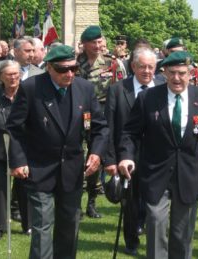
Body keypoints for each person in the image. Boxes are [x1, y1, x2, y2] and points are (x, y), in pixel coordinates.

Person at [118, 51, 198, 259]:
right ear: (164, 72)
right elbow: (130, 132)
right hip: (156, 171)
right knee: (155, 222)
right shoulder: (148, 98)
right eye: (172, 73)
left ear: (190, 73)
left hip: (188, 173)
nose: (177, 78)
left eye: (182, 73)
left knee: (182, 233)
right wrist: (126, 155)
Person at [6, 45, 109, 259]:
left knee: (69, 226)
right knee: (43, 226)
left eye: (73, 68)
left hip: (72, 170)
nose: (69, 74)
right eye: (63, 70)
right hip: (39, 168)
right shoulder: (31, 88)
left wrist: (97, 153)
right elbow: (15, 127)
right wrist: (18, 160)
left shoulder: (85, 89)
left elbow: (100, 127)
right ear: (50, 68)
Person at [105, 47, 162, 256]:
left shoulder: (163, 87)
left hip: (157, 157)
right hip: (127, 155)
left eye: (151, 67)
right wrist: (110, 159)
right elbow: (109, 126)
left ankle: (151, 234)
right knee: (130, 200)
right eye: (142, 67)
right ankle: (131, 241)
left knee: (155, 200)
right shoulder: (118, 90)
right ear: (133, 67)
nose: (147, 71)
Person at [77, 25, 126, 218]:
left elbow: (120, 90)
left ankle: (91, 203)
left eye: (100, 42)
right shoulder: (75, 63)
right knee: (78, 157)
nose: (98, 45)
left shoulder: (111, 63)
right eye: (93, 42)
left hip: (101, 117)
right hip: (79, 116)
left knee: (95, 157)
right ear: (84, 44)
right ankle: (76, 204)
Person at [0, 60, 32, 240]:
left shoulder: (27, 93)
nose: (13, 78)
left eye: (16, 74)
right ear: (1, 77)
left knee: (24, 187)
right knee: (0, 189)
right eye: (9, 74)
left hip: (24, 148)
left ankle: (28, 225)